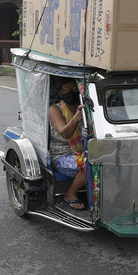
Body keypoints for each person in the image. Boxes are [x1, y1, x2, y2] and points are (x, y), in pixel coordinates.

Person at [48, 78, 87, 210]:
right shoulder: (55, 109)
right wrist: (76, 118)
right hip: (62, 155)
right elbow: (65, 133)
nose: (72, 91)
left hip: (85, 150)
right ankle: (70, 194)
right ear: (60, 91)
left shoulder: (84, 106)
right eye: (67, 88)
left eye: (74, 88)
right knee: (90, 163)